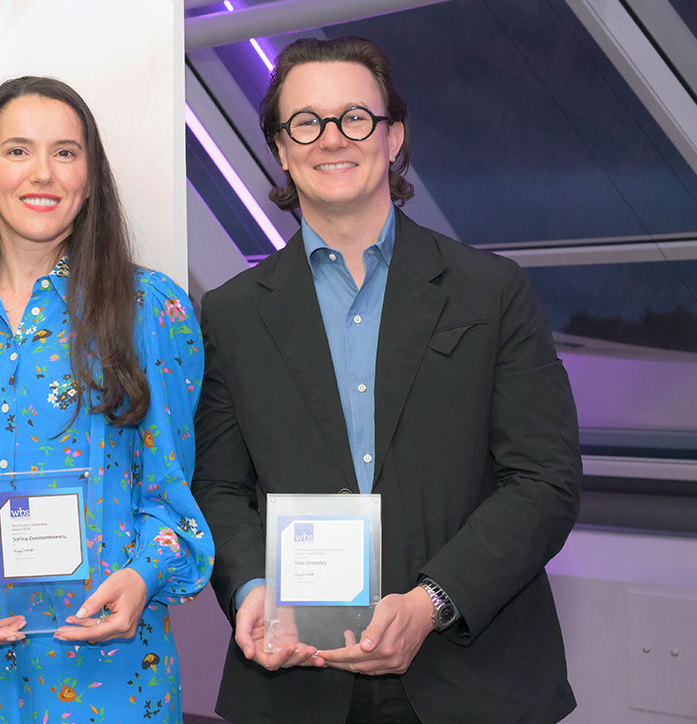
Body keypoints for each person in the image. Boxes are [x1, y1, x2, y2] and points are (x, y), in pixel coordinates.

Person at [192, 37, 581, 724]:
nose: (331, 138)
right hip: (297, 683)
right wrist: (252, 588)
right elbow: (220, 488)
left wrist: (430, 602)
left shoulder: (490, 292)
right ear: (281, 149)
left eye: (355, 118)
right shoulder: (230, 313)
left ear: (394, 136)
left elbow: (544, 478)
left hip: (472, 673)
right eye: (305, 122)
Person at [0, 76, 214, 723]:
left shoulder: (152, 309)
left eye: (65, 152)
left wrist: (145, 575)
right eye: (17, 151)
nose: (43, 172)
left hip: (109, 665)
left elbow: (172, 490)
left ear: (90, 178)